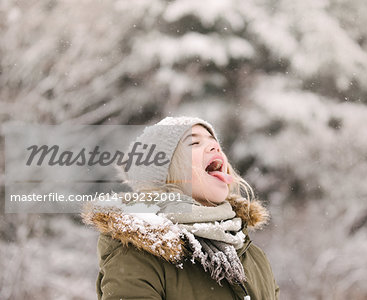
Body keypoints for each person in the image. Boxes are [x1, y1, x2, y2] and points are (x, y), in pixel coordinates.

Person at [82, 116, 280, 300]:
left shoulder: (252, 254)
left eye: (214, 140)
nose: (214, 146)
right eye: (194, 143)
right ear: (163, 173)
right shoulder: (136, 256)